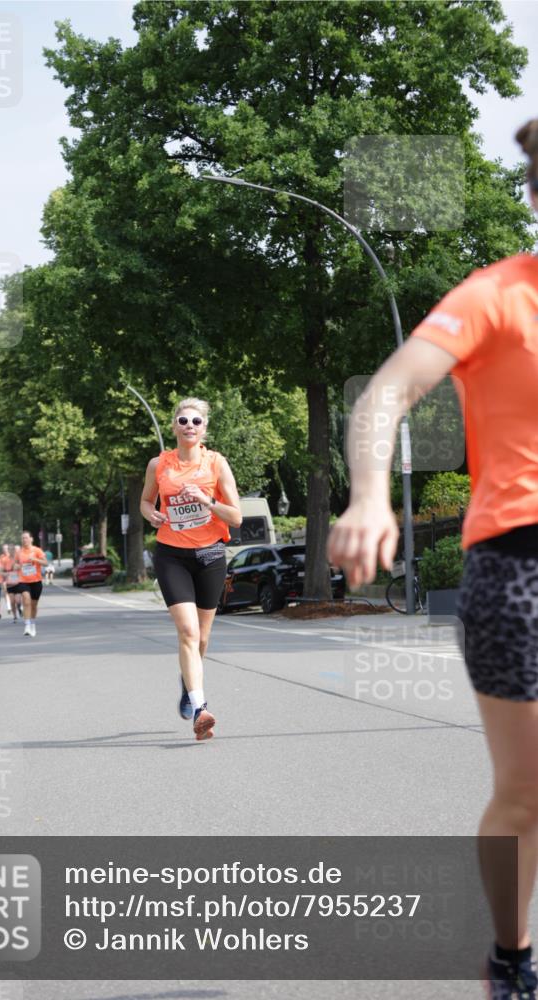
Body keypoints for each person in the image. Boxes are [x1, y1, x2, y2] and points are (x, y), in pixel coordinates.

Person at [327, 120, 538, 999]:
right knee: (527, 794)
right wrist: (371, 496)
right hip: (516, 564)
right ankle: (509, 957)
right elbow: (385, 394)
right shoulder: (494, 296)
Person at [140, 397, 242, 740]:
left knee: (202, 637)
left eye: (196, 422)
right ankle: (200, 707)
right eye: (183, 421)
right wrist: (149, 512)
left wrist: (207, 501)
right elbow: (144, 500)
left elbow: (237, 516)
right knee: (187, 632)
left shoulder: (216, 464)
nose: (189, 426)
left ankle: (188, 685)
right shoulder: (159, 464)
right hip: (172, 555)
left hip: (211, 555)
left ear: (205, 429)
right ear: (174, 426)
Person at [14, 531, 48, 636]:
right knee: (26, 601)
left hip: (36, 581)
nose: (24, 540)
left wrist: (35, 559)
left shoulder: (37, 550)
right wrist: (16, 567)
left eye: (26, 538)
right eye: (23, 538)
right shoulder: (19, 552)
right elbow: (15, 565)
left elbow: (46, 563)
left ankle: (33, 624)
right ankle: (27, 625)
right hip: (23, 581)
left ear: (31, 539)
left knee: (34, 605)